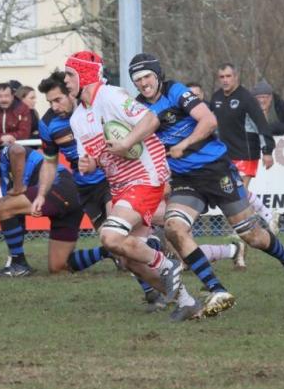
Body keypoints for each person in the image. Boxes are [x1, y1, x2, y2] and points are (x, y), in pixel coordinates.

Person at [124, 53, 284, 316]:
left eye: (147, 76)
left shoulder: (176, 91)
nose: (143, 83)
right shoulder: (139, 107)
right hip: (185, 179)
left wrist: (183, 145)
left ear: (157, 75)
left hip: (215, 169)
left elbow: (209, 121)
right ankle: (216, 289)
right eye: (137, 79)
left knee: (251, 235)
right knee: (175, 228)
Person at [59, 51, 192, 319]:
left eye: (70, 74)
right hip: (121, 186)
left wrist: (128, 142)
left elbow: (151, 119)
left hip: (145, 177)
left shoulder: (111, 97)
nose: (65, 80)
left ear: (85, 75)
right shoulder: (76, 118)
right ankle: (186, 302)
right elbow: (95, 156)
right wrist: (89, 165)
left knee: (109, 236)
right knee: (128, 258)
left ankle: (166, 264)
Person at [0, 142, 110, 276]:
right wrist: (13, 254)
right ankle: (111, 251)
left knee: (1, 205)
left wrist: (18, 186)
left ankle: (19, 266)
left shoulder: (4, 154)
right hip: (72, 198)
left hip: (61, 186)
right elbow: (15, 220)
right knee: (58, 266)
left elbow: (17, 150)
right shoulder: (5, 182)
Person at [210, 63, 278, 239]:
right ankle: (264, 216)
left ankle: (248, 226)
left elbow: (261, 123)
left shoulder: (246, 98)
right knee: (232, 191)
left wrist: (268, 150)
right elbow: (209, 124)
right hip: (225, 154)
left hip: (246, 152)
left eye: (228, 76)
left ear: (236, 77)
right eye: (222, 77)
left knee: (238, 192)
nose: (225, 80)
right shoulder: (216, 98)